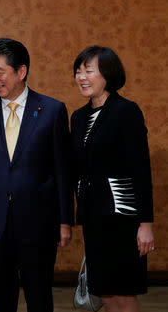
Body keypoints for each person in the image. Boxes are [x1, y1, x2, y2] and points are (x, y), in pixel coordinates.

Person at [0, 37, 73, 312]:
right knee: (1, 300)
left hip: (39, 222)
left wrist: (64, 221)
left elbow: (62, 170)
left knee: (39, 298)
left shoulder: (52, 110)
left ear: (21, 71)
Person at [71, 45, 154, 312]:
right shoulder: (78, 117)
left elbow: (140, 169)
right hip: (94, 218)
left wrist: (145, 223)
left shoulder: (126, 111)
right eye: (78, 71)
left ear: (108, 74)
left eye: (89, 71)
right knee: (104, 292)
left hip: (124, 217)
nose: (82, 77)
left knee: (124, 292)